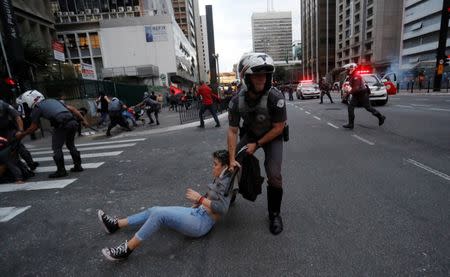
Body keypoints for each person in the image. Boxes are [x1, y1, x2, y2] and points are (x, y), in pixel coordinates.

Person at [98, 150, 232, 261]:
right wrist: (199, 202)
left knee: (159, 214)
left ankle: (127, 249)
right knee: (154, 209)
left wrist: (200, 199)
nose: (212, 167)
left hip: (201, 223)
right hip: (197, 213)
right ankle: (116, 225)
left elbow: (223, 209)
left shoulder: (226, 183)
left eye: (215, 164)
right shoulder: (222, 176)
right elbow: (214, 195)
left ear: (225, 166)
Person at [227, 53, 287, 235]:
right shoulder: (236, 101)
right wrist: (231, 160)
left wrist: (257, 144)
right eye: (257, 74)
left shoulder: (276, 97)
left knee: (274, 174)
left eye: (266, 74)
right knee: (231, 163)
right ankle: (229, 193)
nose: (262, 78)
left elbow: (279, 128)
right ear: (246, 77)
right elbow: (232, 131)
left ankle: (275, 214)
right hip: (251, 134)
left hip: (272, 136)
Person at [16, 90, 88, 178]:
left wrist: (23, 134)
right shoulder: (53, 100)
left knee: (56, 147)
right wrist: (84, 120)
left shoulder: (37, 107)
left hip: (62, 124)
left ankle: (61, 171)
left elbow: (34, 127)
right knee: (71, 145)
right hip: (73, 122)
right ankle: (78, 166)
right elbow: (72, 109)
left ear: (30, 100)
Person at [342, 64, 386, 129]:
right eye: (349, 69)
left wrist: (348, 93)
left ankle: (380, 117)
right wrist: (347, 91)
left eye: (350, 69)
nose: (349, 70)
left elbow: (356, 88)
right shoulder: (352, 76)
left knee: (368, 107)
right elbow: (353, 87)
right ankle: (351, 124)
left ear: (354, 69)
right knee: (350, 107)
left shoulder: (356, 76)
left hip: (362, 94)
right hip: (356, 94)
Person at [1, 98, 39, 171]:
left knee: (18, 145)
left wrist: (20, 130)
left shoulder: (4, 104)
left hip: (7, 130)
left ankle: (30, 163)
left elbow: (17, 117)